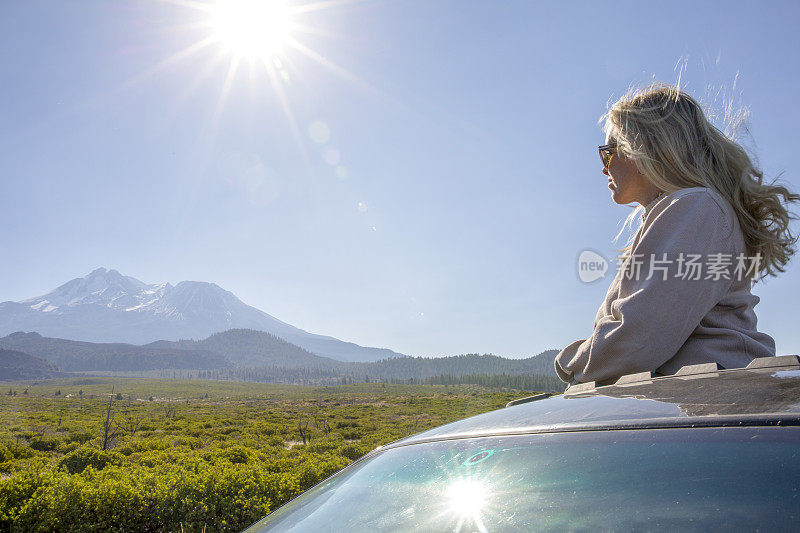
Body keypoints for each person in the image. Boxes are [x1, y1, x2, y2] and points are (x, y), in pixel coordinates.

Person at [555, 83, 799, 386]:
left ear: (645, 148)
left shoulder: (697, 208)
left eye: (608, 152)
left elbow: (637, 339)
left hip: (712, 403)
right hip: (702, 401)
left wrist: (570, 365)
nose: (604, 167)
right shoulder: (689, 212)